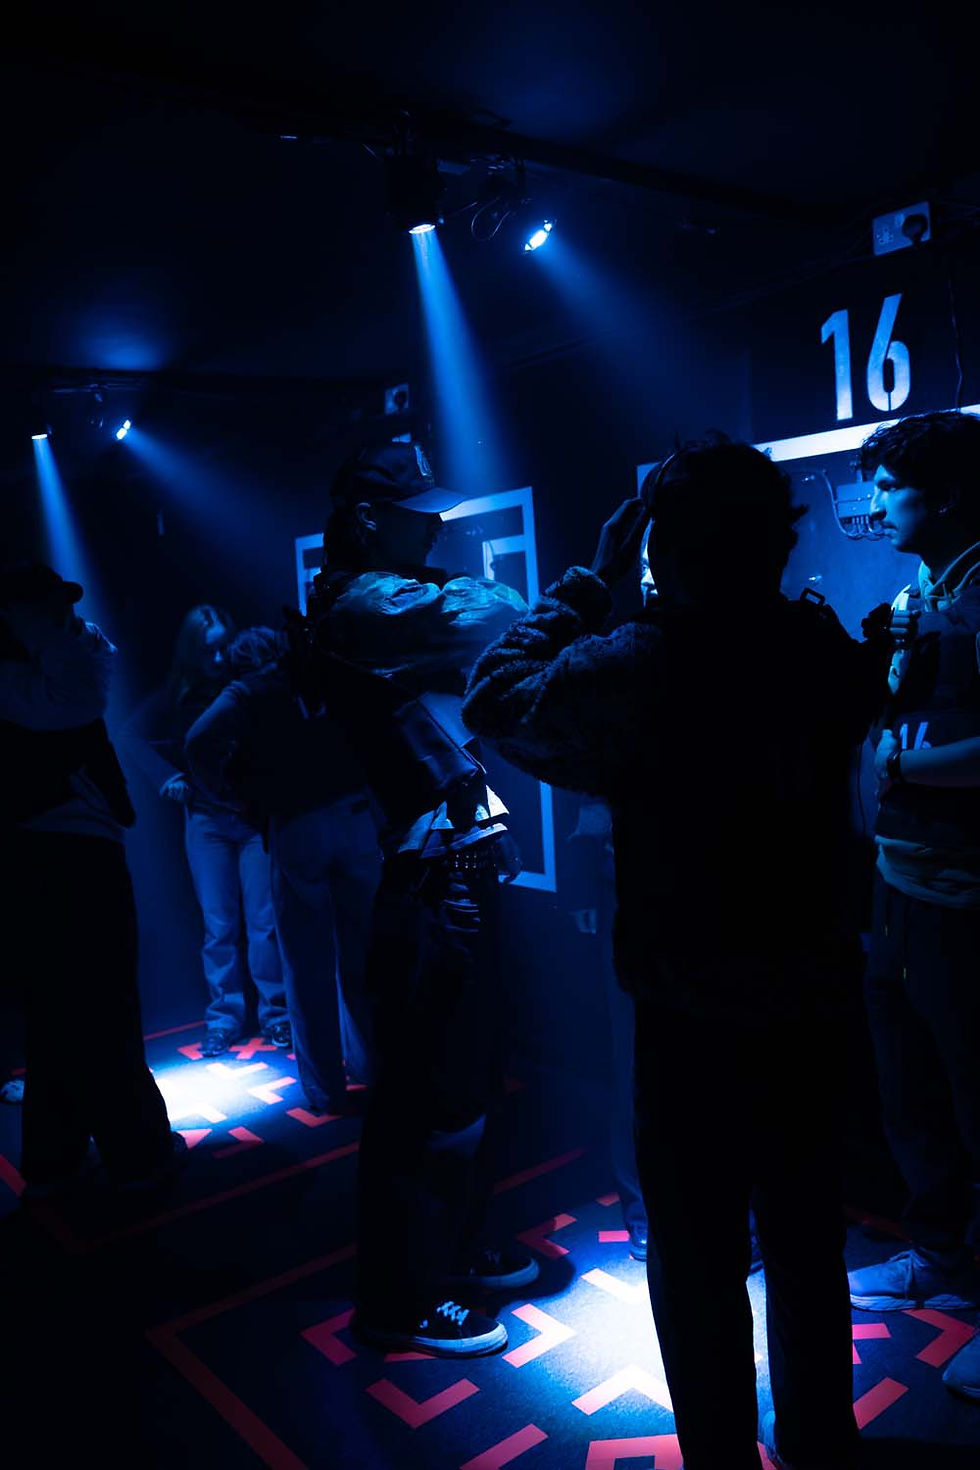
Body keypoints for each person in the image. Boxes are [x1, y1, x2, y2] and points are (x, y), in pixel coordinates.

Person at [462, 438, 892, 1470]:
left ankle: (716, 1454)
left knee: (696, 1256)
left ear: (661, 543)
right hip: (812, 990)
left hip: (687, 1005)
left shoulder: (640, 661)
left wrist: (591, 576)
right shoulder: (817, 649)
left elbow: (493, 699)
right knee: (803, 1238)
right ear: (776, 539)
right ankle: (820, 1444)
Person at [305, 440, 535, 1358]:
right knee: (426, 1095)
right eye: (417, 511)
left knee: (462, 1080)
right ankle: (405, 1296)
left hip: (445, 867)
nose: (435, 526)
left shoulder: (379, 598)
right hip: (426, 876)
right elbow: (500, 614)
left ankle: (448, 1256)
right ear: (366, 516)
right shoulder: (363, 602)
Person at [845, 410, 980, 1404]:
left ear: (944, 493)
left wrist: (905, 763)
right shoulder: (916, 590)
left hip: (965, 899)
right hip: (897, 885)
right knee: (910, 1095)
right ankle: (941, 1259)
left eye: (891, 485)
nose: (876, 502)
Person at [0, 562, 182, 1196]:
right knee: (95, 1006)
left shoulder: (71, 647)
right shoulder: (64, 653)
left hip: (55, 850)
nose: (64, 616)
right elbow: (69, 700)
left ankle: (59, 1156)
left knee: (61, 1011)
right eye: (44, 607)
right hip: (65, 854)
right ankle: (136, 1152)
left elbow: (83, 676)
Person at [185, 624, 381, 1113]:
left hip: (296, 825)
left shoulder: (248, 690)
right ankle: (374, 1067)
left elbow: (198, 743)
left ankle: (325, 1090)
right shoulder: (325, 671)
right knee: (363, 955)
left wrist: (233, 798)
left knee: (305, 961)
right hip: (356, 818)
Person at [118, 606, 289, 1057]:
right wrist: (165, 778)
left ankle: (276, 1015)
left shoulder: (247, 685)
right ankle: (225, 1017)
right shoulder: (178, 693)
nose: (215, 657)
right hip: (207, 820)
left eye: (220, 647)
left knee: (264, 923)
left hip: (253, 819)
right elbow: (130, 735)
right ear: (192, 650)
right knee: (219, 926)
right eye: (206, 649)